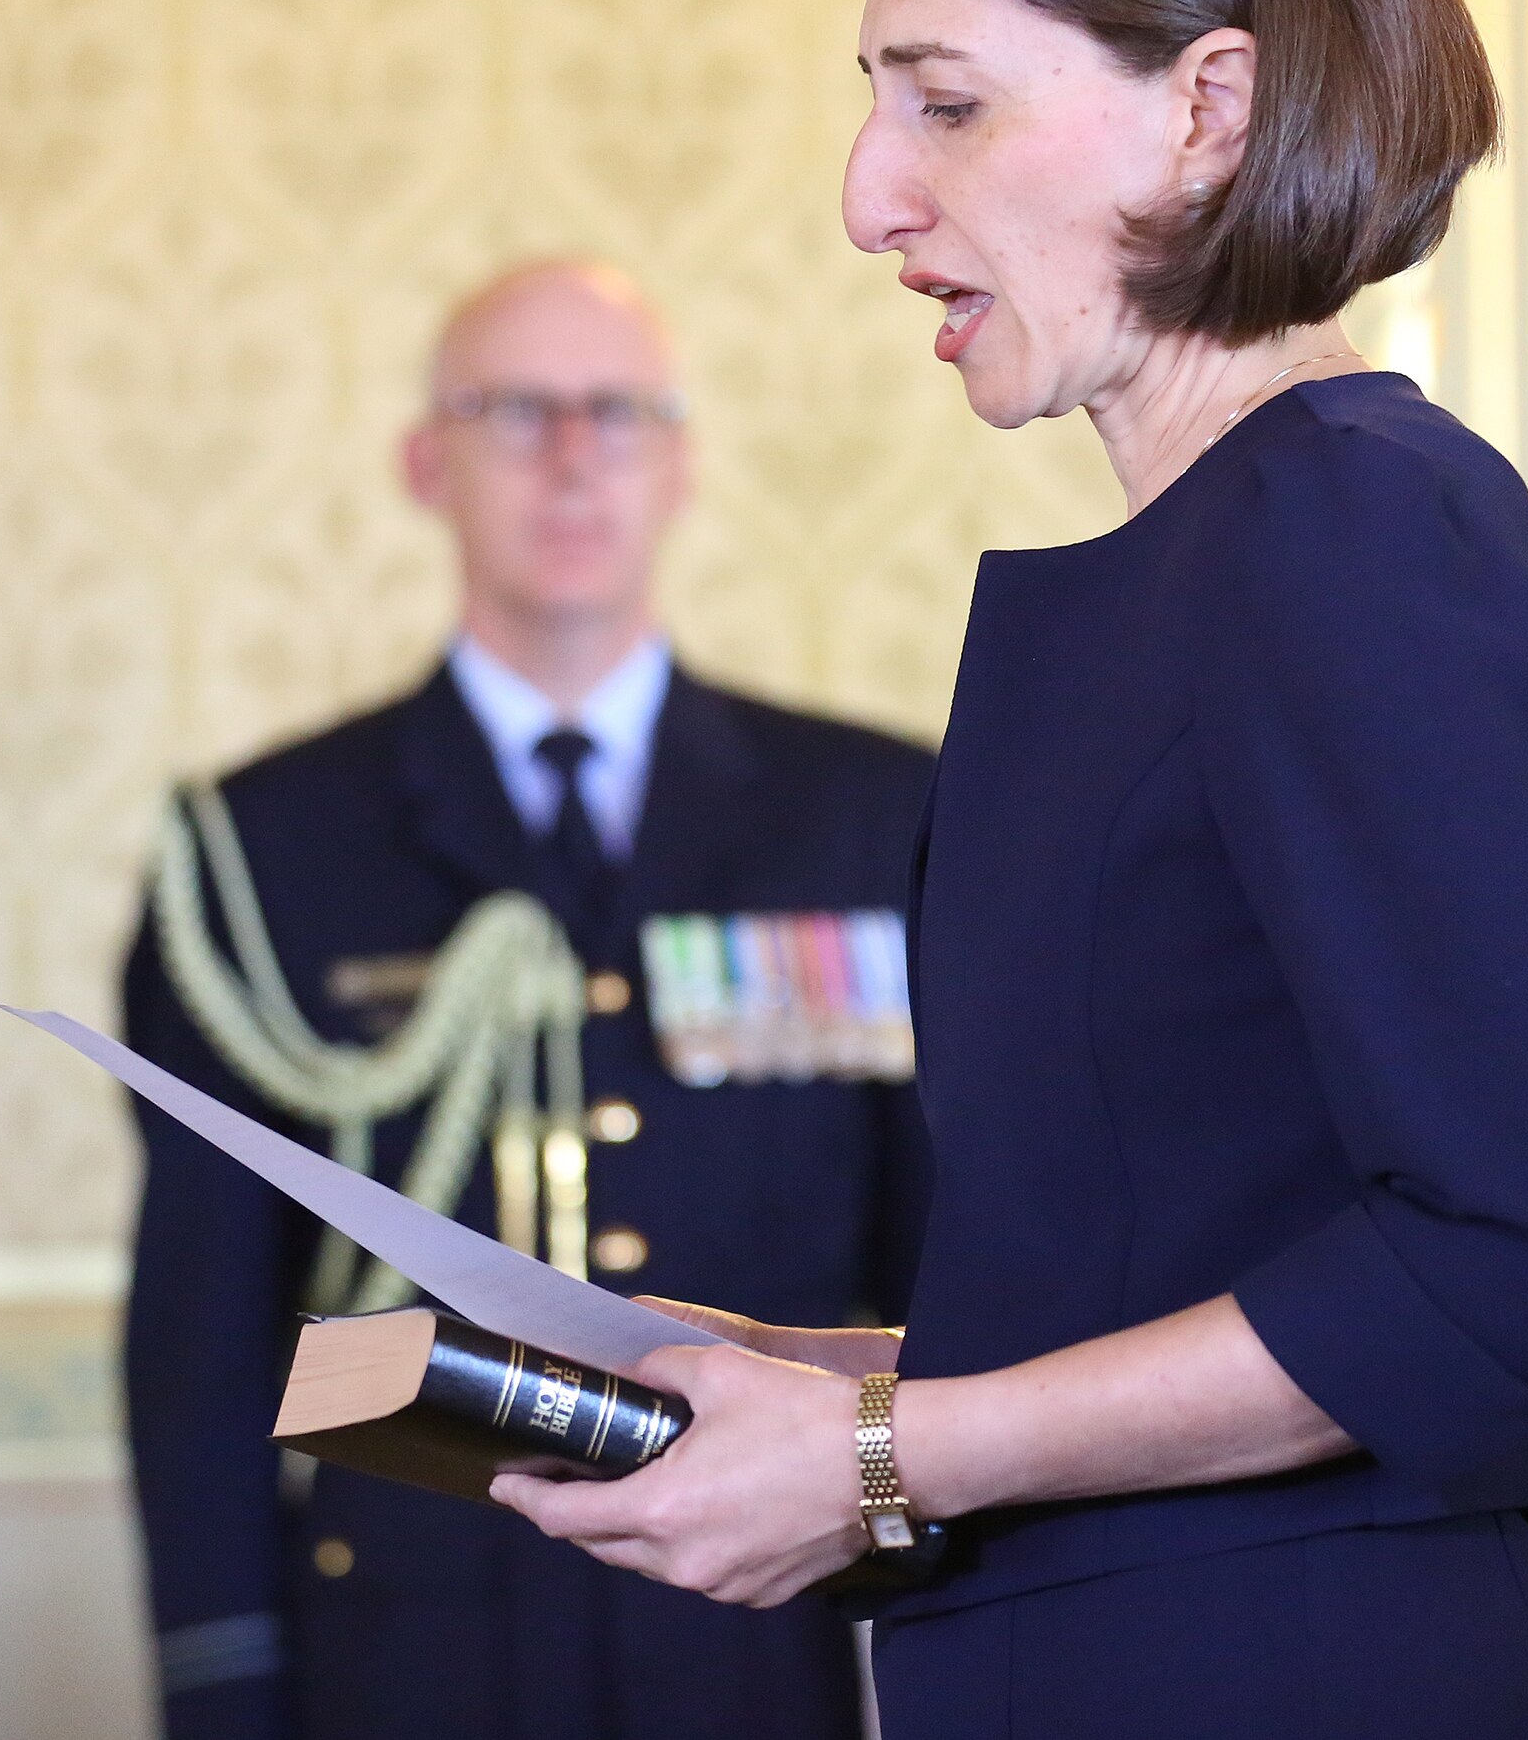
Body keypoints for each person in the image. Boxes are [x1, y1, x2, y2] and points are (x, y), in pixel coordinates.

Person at [487, 0, 1528, 1739]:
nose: (869, 197)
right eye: (875, 104)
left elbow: (1514, 1261)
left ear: (1211, 110)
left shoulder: (1357, 523)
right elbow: (1148, 1261)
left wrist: (881, 1454)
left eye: (944, 104)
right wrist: (794, 1370)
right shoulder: (1208, 559)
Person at [121, 260, 935, 1740]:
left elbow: (949, 1273)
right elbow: (205, 1327)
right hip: (404, 1640)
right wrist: (219, 1680)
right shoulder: (263, 847)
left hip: (766, 1633)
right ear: (426, 462)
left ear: (683, 462)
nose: (574, 455)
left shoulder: (873, 816)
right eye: (515, 411)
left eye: (619, 412)